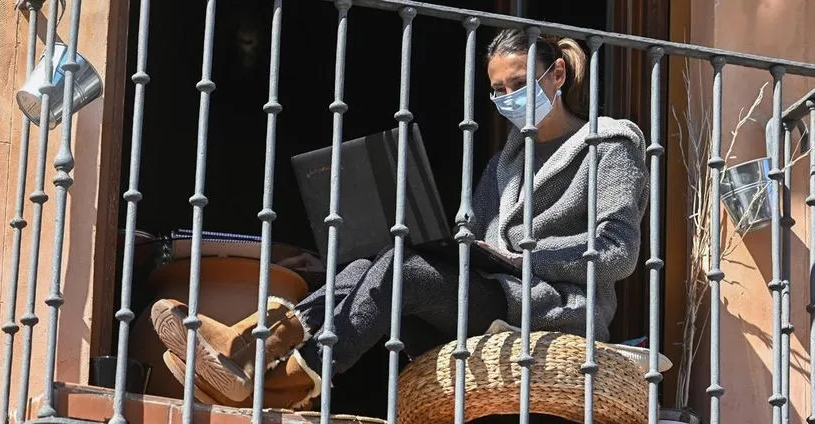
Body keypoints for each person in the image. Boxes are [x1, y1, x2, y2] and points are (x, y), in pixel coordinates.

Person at [149, 29, 649, 410]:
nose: (508, 98)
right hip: (490, 291)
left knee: (402, 269)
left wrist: (522, 255)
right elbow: (472, 239)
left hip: (552, 305)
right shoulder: (506, 161)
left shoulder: (610, 142)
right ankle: (248, 349)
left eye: (520, 83)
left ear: (558, 74)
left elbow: (617, 254)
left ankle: (282, 376)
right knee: (375, 259)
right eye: (498, 90)